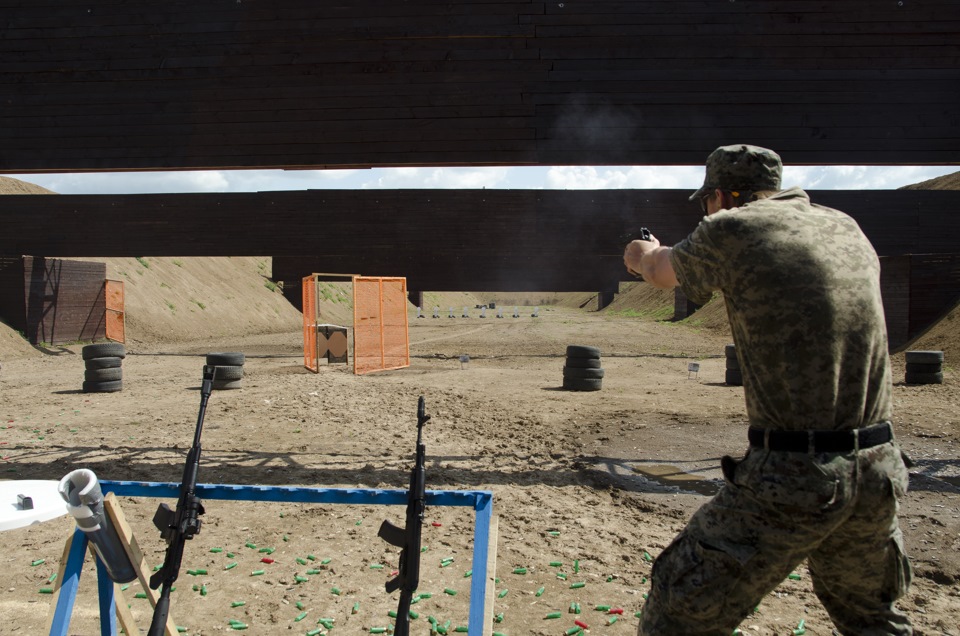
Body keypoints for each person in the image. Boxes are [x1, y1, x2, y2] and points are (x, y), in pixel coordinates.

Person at [623, 144, 913, 635]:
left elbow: (658, 271)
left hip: (796, 473)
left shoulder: (732, 228)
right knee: (873, 622)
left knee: (677, 610)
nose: (707, 212)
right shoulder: (846, 227)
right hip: (879, 470)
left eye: (707, 202)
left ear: (720, 195)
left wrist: (642, 252)